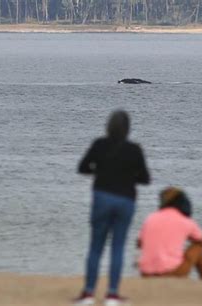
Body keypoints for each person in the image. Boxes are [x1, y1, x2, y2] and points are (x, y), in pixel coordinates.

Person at [74, 110, 150, 306]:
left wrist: (99, 171)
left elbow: (82, 167)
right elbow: (145, 179)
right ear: (128, 129)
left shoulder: (99, 144)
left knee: (96, 246)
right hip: (126, 199)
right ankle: (112, 295)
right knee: (118, 247)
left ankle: (89, 294)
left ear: (108, 126)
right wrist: (128, 177)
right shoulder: (134, 149)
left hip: (102, 197)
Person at [137, 187, 202, 279]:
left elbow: (139, 244)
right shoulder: (185, 220)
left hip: (146, 273)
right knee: (198, 246)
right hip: (172, 271)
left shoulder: (150, 218)